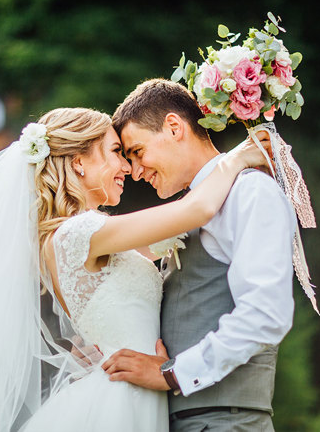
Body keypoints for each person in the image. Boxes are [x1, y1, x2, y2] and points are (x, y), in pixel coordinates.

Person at [0, 106, 271, 431]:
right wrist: (236, 158)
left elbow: (176, 235)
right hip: (123, 398)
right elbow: (195, 211)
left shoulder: (83, 235)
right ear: (80, 162)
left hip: (137, 389)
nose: (128, 167)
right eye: (117, 152)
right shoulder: (79, 232)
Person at [102, 78, 297, 432]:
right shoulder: (187, 211)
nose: (134, 171)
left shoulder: (248, 192)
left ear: (174, 127)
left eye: (137, 152)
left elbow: (267, 313)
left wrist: (173, 373)